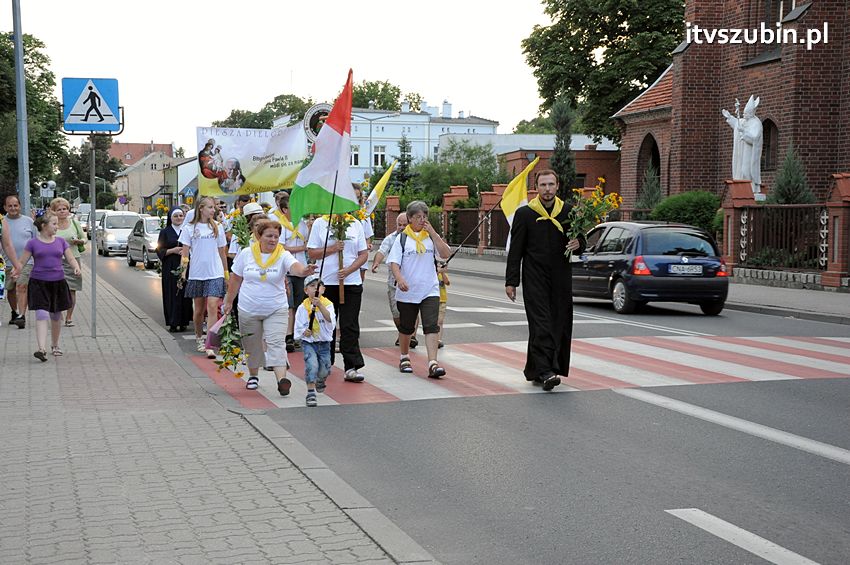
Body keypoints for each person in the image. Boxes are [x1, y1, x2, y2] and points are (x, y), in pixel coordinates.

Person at [505, 169, 583, 391]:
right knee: (541, 324)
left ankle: (537, 370)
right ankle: (547, 372)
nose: (547, 189)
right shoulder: (525, 214)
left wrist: (579, 243)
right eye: (543, 185)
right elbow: (516, 251)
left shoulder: (568, 211)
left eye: (551, 184)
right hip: (534, 277)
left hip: (561, 278)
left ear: (557, 186)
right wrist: (511, 282)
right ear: (536, 188)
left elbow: (580, 240)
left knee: (559, 323)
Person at [223, 218, 316, 395]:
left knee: (276, 343)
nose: (273, 240)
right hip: (248, 308)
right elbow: (236, 279)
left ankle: (282, 380)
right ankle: (253, 376)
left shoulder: (282, 254)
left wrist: (304, 271)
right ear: (259, 236)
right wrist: (228, 301)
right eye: (269, 236)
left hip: (276, 308)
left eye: (276, 236)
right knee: (251, 344)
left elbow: (295, 267)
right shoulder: (246, 253)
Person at [388, 200, 452, 378]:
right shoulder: (402, 239)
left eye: (424, 216)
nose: (422, 220)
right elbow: (394, 263)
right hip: (408, 291)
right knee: (407, 327)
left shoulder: (430, 237)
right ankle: (404, 357)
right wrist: (399, 279)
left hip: (429, 289)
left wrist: (433, 233)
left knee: (432, 326)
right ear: (409, 218)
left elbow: (445, 254)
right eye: (418, 217)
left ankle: (433, 363)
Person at [307, 213, 368, 383]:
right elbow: (312, 252)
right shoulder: (320, 223)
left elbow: (363, 254)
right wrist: (333, 249)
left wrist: (349, 270)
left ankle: (351, 366)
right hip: (327, 283)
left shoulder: (355, 224)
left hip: (351, 282)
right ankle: (326, 362)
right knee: (327, 324)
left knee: (349, 325)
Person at [12, 213, 81, 361]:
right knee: (41, 314)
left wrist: (76, 267)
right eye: (54, 224)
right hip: (38, 283)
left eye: (57, 224)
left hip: (58, 283)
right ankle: (41, 349)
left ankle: (55, 345)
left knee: (56, 316)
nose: (57, 227)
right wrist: (16, 270)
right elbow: (22, 261)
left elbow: (70, 258)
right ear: (44, 226)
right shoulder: (32, 243)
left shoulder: (61, 242)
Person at [179, 196, 228, 358]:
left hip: (215, 272)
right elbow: (185, 254)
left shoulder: (217, 227)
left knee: (212, 306)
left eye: (214, 207)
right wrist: (182, 272)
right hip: (197, 273)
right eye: (210, 207)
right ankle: (199, 337)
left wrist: (226, 273)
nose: (214, 210)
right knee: (199, 310)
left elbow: (222, 251)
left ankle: (210, 342)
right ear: (201, 208)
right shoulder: (189, 228)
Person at [371, 212, 417, 348]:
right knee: (396, 313)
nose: (401, 227)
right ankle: (403, 333)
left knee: (412, 310)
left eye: (404, 225)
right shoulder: (391, 238)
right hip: (394, 283)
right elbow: (381, 251)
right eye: (399, 225)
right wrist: (376, 263)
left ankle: (411, 336)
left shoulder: (417, 238)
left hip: (412, 283)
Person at [273, 191, 310, 353]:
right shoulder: (279, 225)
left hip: (300, 268)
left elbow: (308, 243)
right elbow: (281, 247)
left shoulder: (302, 224)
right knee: (289, 304)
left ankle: (296, 333)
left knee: (299, 303)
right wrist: (302, 247)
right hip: (286, 269)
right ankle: (288, 335)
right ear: (284, 210)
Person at [294, 274, 335, 407]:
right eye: (312, 286)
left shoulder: (328, 305)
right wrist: (304, 332)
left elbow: (330, 320)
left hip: (324, 343)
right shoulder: (302, 308)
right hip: (309, 343)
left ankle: (321, 379)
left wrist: (320, 306)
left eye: (318, 286)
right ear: (306, 290)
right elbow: (298, 326)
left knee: (325, 367)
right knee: (312, 366)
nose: (315, 289)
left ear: (323, 289)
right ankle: (310, 392)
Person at [1, 194, 36, 328]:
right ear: (5, 207)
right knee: (10, 289)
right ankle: (14, 311)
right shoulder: (2, 221)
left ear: (20, 206)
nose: (13, 208)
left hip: (26, 262)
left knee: (21, 287)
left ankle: (22, 315)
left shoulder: (28, 221)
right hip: (6, 262)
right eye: (10, 206)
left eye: (15, 205)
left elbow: (35, 241)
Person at [50, 198, 85, 327]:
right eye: (59, 209)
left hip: (73, 260)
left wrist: (80, 241)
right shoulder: (51, 224)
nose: (62, 211)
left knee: (72, 290)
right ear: (54, 211)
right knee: (56, 290)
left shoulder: (74, 223)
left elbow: (84, 238)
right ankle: (58, 313)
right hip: (55, 260)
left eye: (64, 209)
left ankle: (69, 317)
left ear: (68, 210)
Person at [157, 207, 193, 332]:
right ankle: (173, 322)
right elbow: (159, 250)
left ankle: (184, 322)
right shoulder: (165, 232)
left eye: (181, 216)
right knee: (172, 293)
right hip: (170, 266)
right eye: (176, 216)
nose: (179, 218)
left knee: (185, 293)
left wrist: (187, 251)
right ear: (170, 218)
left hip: (185, 265)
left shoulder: (187, 230)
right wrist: (173, 250)